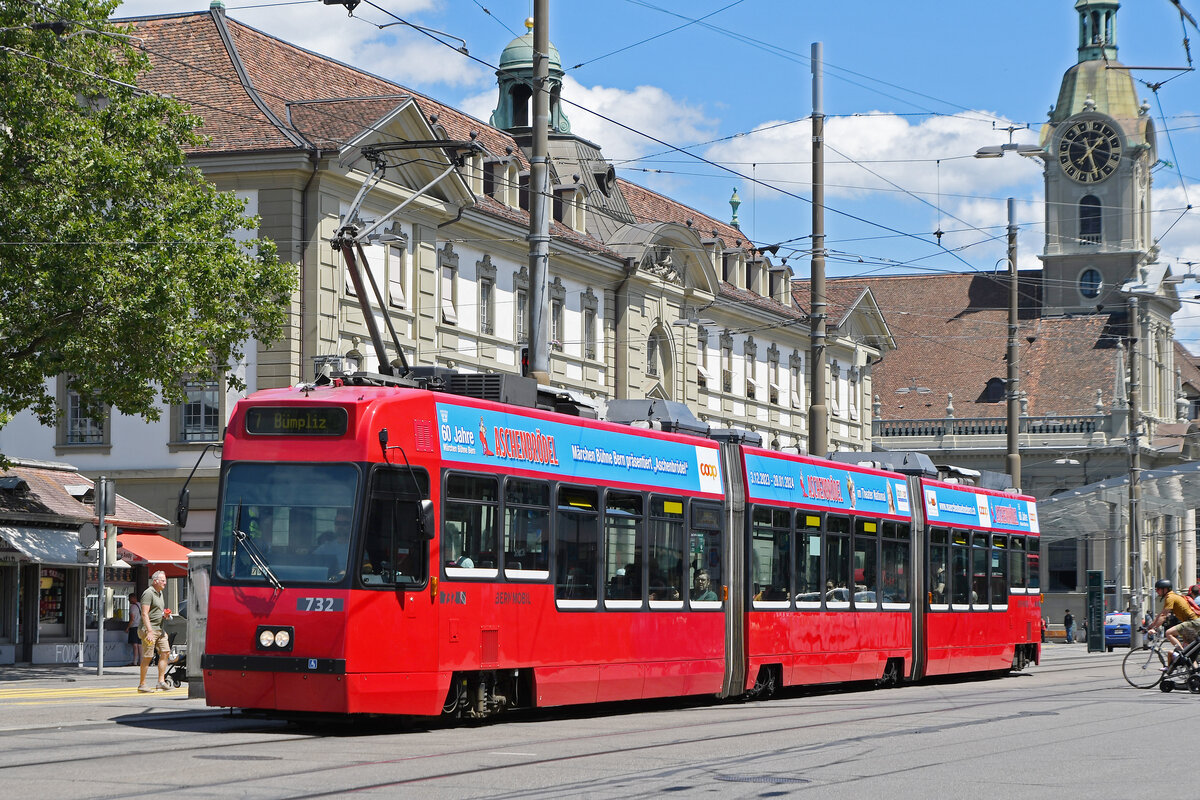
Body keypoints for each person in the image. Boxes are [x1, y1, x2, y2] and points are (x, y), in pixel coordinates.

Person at [137, 570, 178, 693]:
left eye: (165, 580)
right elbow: (144, 614)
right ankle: (142, 684)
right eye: (163, 580)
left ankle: (161, 682)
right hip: (148, 630)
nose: (165, 583)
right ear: (155, 581)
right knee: (148, 656)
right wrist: (149, 631)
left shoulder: (160, 593)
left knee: (165, 652)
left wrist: (164, 615)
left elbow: (155, 612)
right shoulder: (148, 593)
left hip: (160, 629)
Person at [1145, 578, 1200, 667]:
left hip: (1193, 622)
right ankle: (1194, 675)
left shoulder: (1170, 597)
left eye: (1158, 589)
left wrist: (1154, 628)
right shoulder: (1171, 597)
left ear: (1165, 589)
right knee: (1190, 653)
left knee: (1168, 633)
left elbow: (1164, 615)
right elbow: (1161, 614)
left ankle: (1182, 655)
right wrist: (1151, 626)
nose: (1157, 591)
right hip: (1192, 623)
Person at [126, 592, 142, 666]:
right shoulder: (140, 605)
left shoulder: (132, 607)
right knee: (139, 644)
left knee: (135, 645)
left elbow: (132, 618)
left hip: (134, 627)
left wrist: (128, 627)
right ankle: (141, 661)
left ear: (133, 598)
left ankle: (135, 661)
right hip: (141, 627)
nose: (129, 600)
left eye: (129, 598)